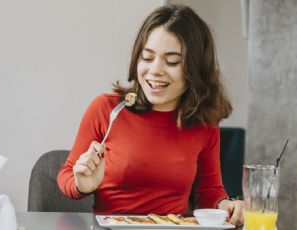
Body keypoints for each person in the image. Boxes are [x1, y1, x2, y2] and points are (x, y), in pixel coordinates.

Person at [57, 4, 244, 226]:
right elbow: (66, 174)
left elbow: (210, 193)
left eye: (172, 61)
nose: (155, 70)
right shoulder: (107, 109)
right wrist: (81, 184)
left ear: (195, 69)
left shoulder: (203, 124)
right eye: (147, 58)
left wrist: (227, 206)